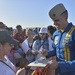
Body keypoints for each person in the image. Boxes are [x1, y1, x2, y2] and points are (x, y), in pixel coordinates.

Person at [42, 3, 75, 75]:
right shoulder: (56, 34)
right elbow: (55, 50)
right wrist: (47, 53)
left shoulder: (73, 33)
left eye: (56, 20)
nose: (54, 23)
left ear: (66, 17)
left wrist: (59, 65)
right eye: (53, 21)